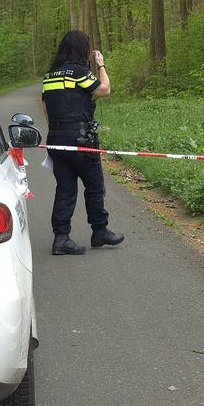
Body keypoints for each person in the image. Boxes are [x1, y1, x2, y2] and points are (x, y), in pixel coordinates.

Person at [40, 29, 123, 256]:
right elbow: (104, 90)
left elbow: (45, 105)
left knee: (65, 189)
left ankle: (61, 238)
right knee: (94, 187)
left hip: (56, 139)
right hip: (81, 139)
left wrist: (58, 129)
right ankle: (100, 231)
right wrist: (101, 66)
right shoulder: (78, 72)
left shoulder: (50, 76)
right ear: (82, 50)